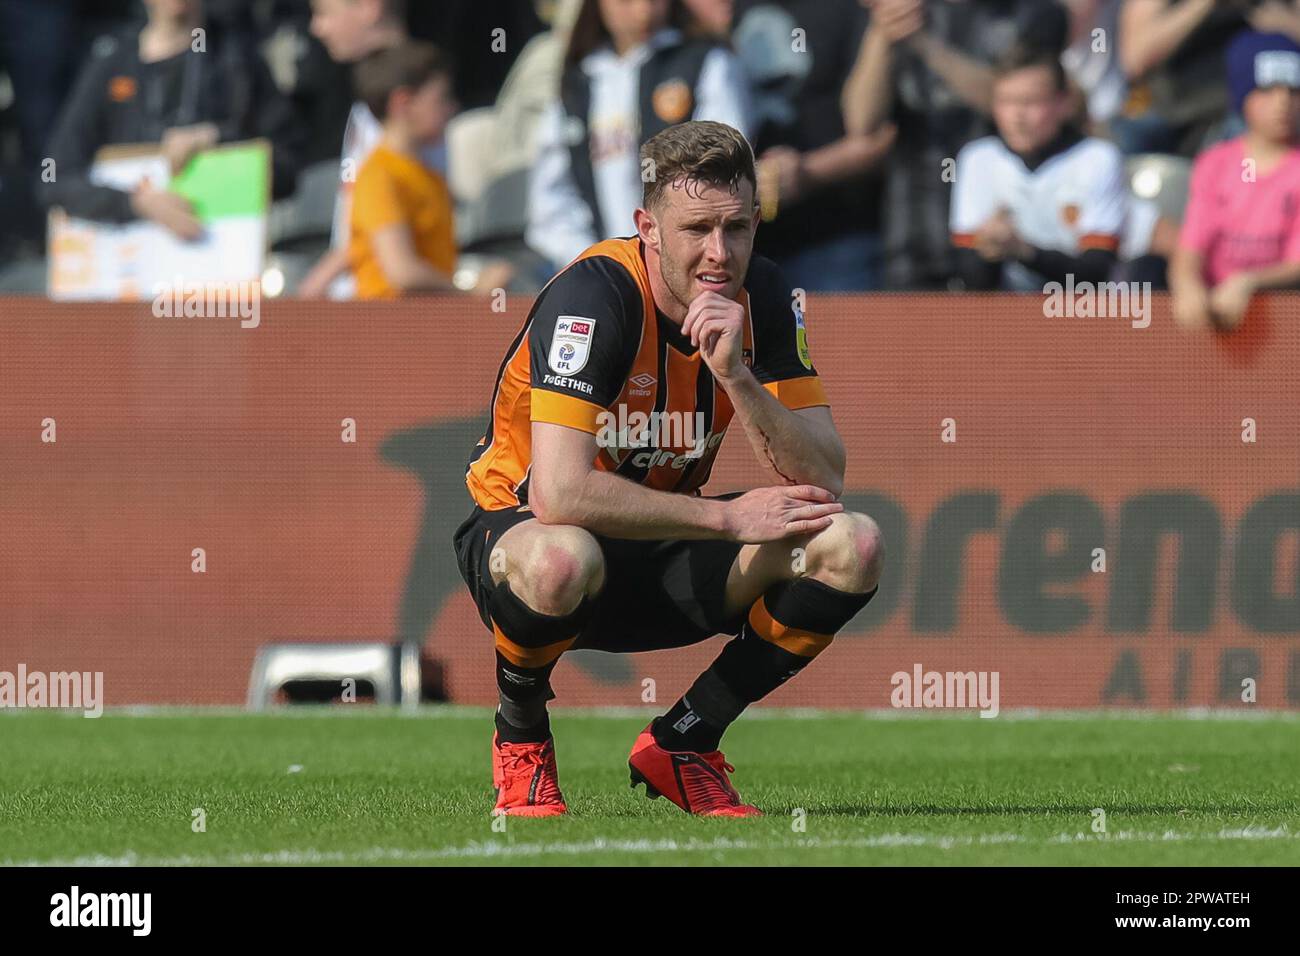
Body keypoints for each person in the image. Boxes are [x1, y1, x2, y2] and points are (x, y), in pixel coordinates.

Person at [454, 120, 883, 817]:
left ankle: (685, 740)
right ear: (647, 228)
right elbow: (560, 493)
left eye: (738, 228)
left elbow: (825, 474)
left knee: (851, 543)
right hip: (526, 538)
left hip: (657, 544)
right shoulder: (594, 297)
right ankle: (521, 735)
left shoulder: (764, 297)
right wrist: (724, 517)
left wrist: (739, 379)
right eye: (697, 229)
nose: (720, 253)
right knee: (562, 559)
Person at [841, 0, 1070, 289]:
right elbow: (861, 123)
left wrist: (925, 44)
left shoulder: (1035, 13)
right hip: (912, 234)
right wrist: (881, 32)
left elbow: (1014, 98)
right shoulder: (897, 12)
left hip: (1004, 238)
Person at [42, 0, 305, 239]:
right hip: (129, 270)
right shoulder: (112, 63)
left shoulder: (237, 60)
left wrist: (218, 139)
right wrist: (135, 203)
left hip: (220, 270)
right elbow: (52, 177)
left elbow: (287, 165)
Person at [525, 0, 754, 274]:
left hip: (689, 271)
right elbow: (552, 201)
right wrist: (597, 261)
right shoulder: (578, 84)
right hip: (603, 275)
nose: (644, 11)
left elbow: (726, 171)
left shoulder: (705, 63)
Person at [299, 0, 443, 298]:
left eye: (324, 13)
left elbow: (397, 241)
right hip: (361, 302)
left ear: (369, 6)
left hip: (395, 313)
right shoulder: (366, 107)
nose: (317, 28)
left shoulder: (423, 107)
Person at [950, 47, 1126, 290]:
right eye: (1006, 101)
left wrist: (1023, 250)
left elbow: (1095, 274)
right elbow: (971, 280)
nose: (1017, 115)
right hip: (1005, 320)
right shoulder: (978, 159)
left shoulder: (1098, 158)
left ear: (1064, 103)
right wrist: (988, 250)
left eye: (1031, 102)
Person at [1170, 31, 1300, 330]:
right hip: (1216, 311)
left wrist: (1249, 282)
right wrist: (1187, 284)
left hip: (1285, 318)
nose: (1283, 102)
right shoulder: (1215, 163)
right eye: (1267, 89)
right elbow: (1190, 249)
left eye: (1293, 90)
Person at [347, 42, 460, 298]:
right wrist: (473, 292)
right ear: (403, 103)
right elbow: (402, 272)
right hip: (391, 327)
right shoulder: (379, 174)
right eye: (441, 98)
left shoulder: (429, 177)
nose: (451, 108)